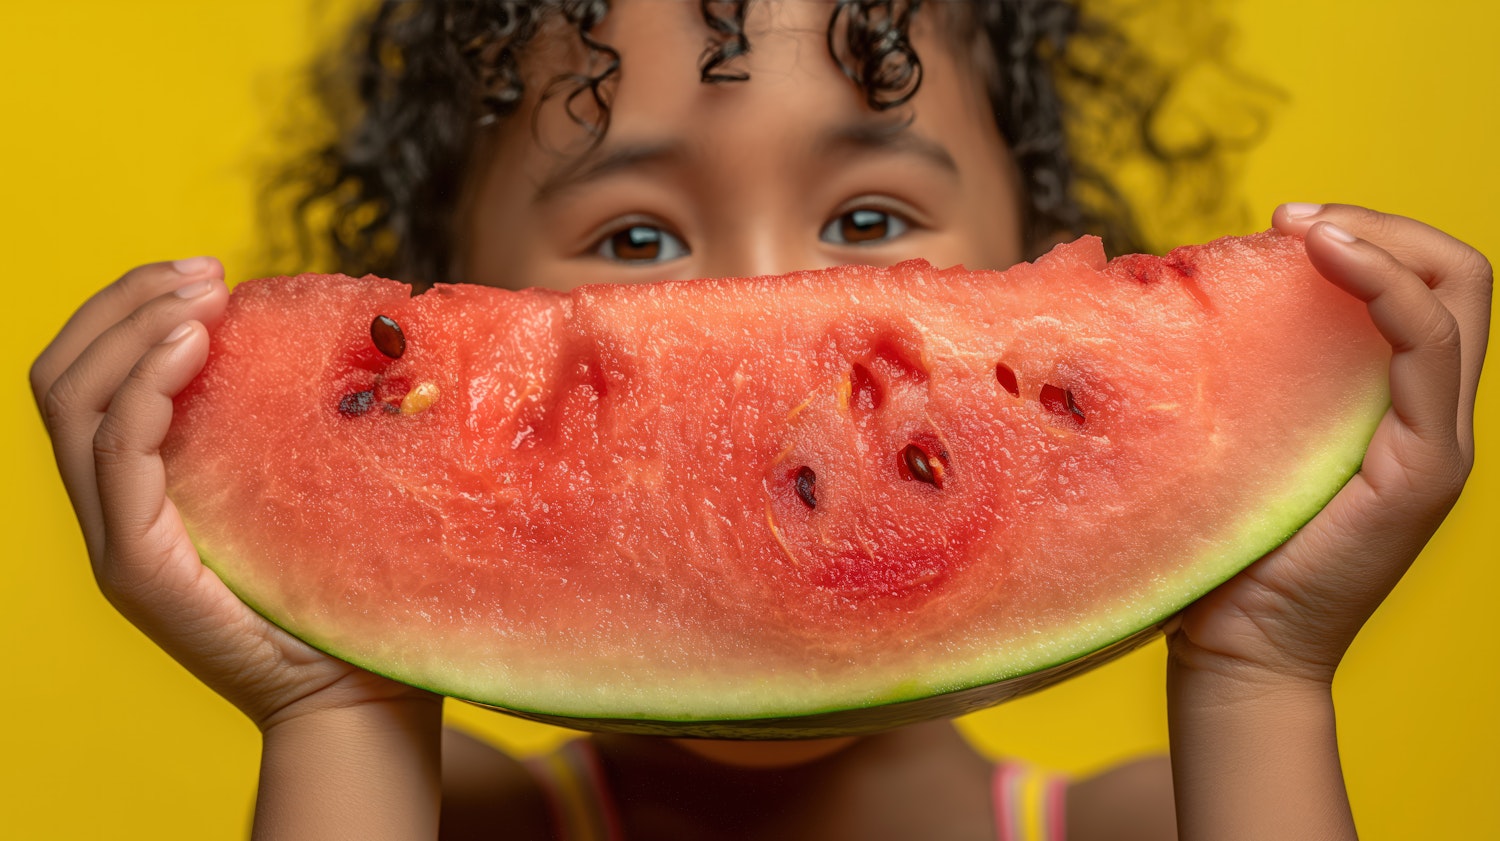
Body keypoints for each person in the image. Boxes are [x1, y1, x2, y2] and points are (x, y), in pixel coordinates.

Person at [28, 2, 1490, 839]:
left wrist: (1259, 670)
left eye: (867, 214)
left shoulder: (1141, 824)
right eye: (635, 240)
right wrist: (339, 701)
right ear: (443, 307)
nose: (758, 306)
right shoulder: (456, 819)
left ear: (1049, 267)